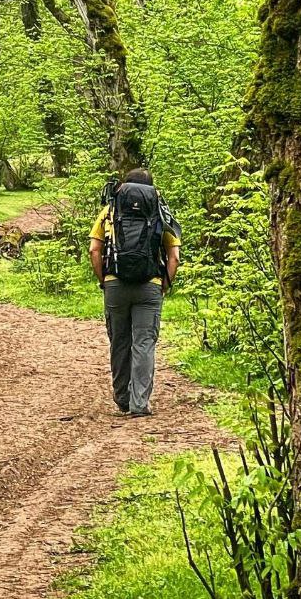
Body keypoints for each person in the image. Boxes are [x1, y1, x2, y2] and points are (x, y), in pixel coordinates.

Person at [89, 168, 180, 417]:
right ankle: (140, 404)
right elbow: (174, 257)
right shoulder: (160, 211)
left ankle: (122, 398)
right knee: (144, 343)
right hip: (149, 286)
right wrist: (164, 283)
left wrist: (104, 280)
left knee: (119, 341)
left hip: (115, 284)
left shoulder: (109, 211)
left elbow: (94, 251)